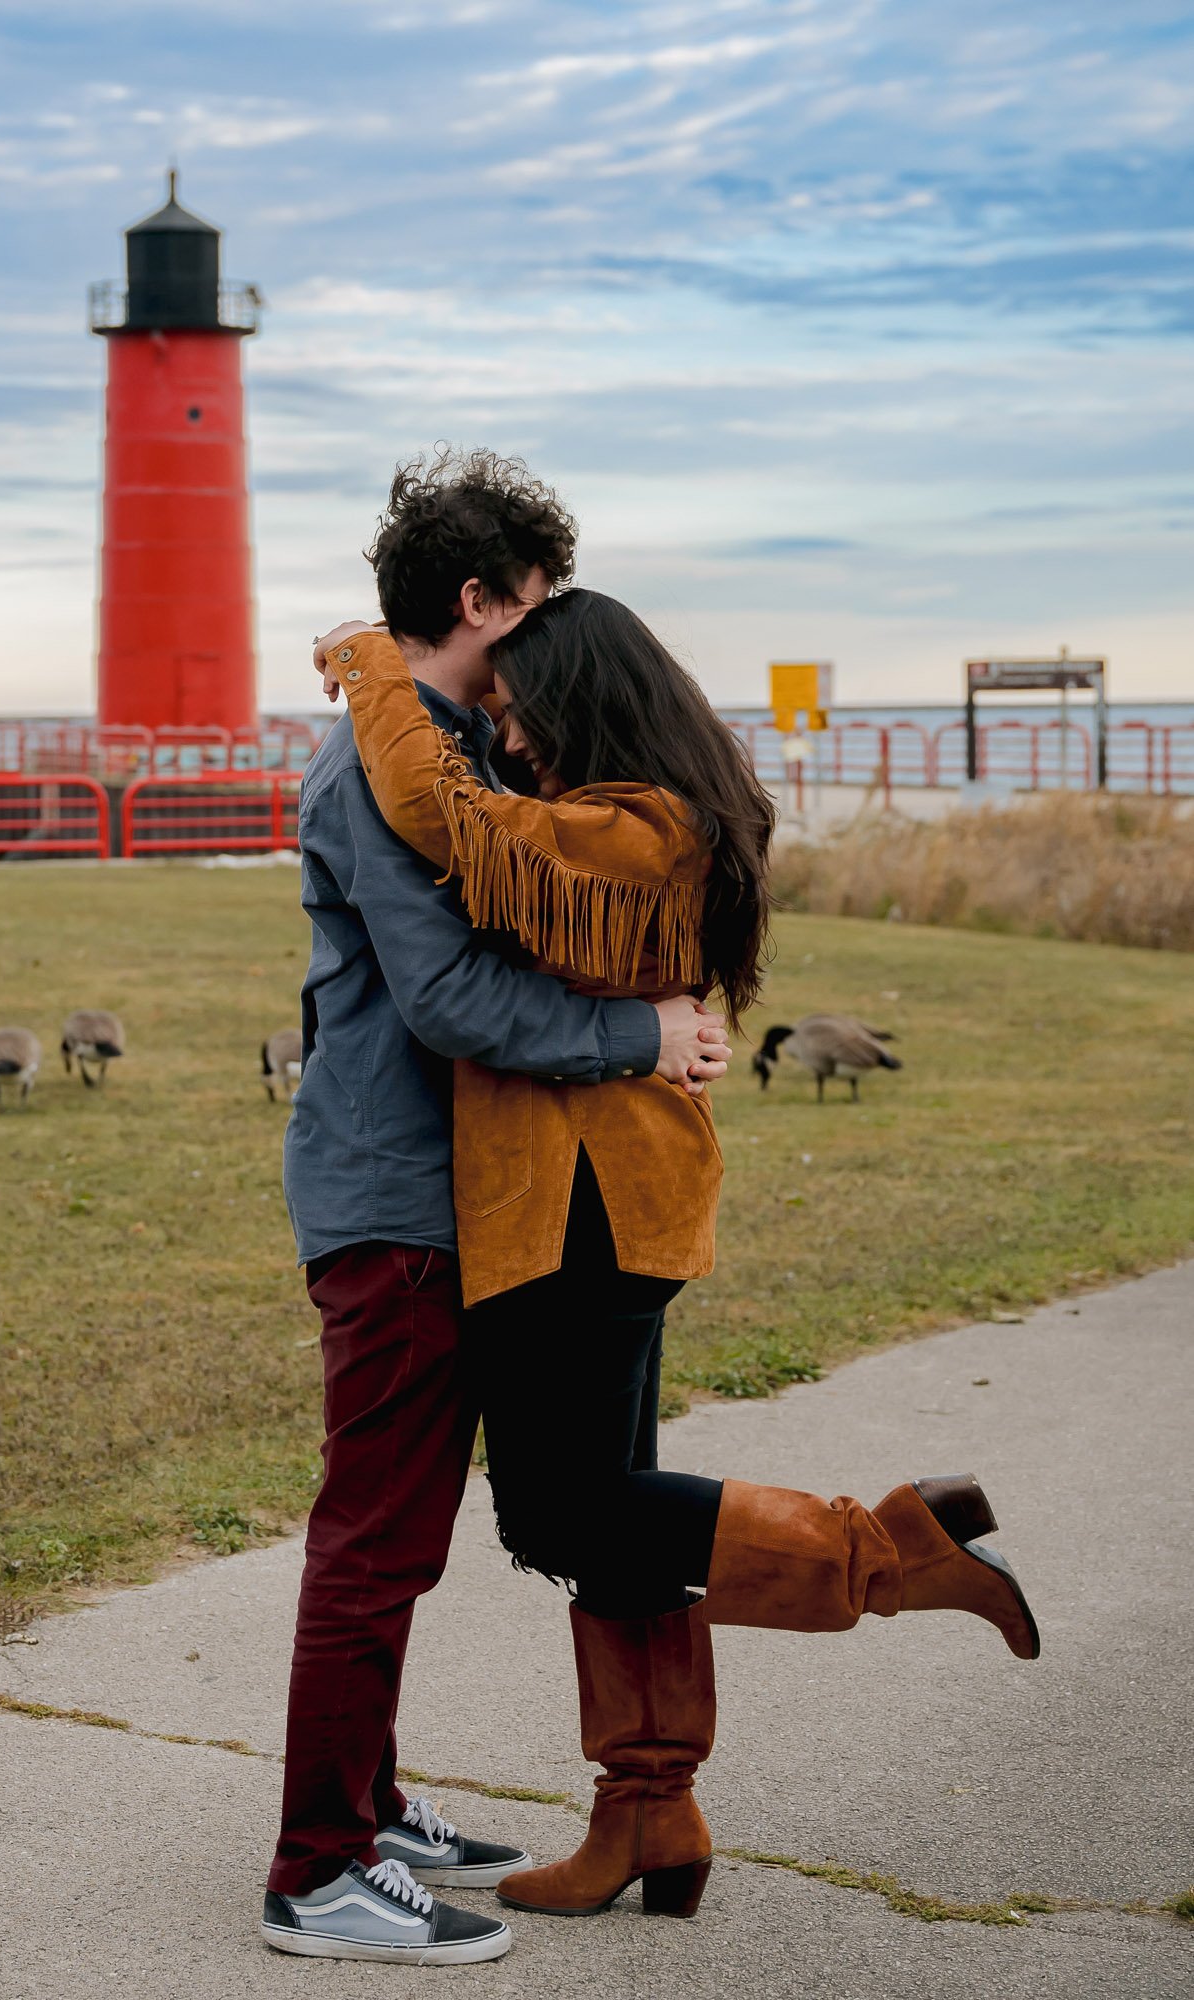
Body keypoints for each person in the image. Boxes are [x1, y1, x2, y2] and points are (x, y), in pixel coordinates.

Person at [315, 584, 1041, 1926]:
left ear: (583, 699)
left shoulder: (624, 828)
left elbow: (449, 821)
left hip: (577, 1199)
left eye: (524, 716)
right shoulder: (659, 813)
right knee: (614, 1522)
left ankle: (887, 1550)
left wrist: (366, 660)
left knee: (561, 1512)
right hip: (618, 1191)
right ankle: (647, 1814)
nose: (513, 741)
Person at [261, 452, 732, 1967]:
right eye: (533, 601)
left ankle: (371, 1802)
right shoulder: (376, 771)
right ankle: (319, 1874)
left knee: (434, 1530)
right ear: (480, 601)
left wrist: (659, 997)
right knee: (378, 1540)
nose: (546, 631)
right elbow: (457, 997)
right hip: (398, 1201)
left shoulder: (460, 754)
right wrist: (640, 1036)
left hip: (479, 1197)